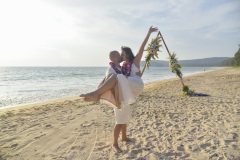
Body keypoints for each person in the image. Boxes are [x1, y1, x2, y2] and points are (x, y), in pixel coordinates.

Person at [80, 26, 158, 108]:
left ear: (127, 54)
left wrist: (149, 33)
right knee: (110, 77)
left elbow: (142, 48)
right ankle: (97, 94)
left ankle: (96, 94)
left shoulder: (135, 61)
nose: (121, 55)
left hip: (136, 84)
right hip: (129, 86)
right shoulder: (123, 67)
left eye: (122, 54)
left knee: (116, 76)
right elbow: (113, 79)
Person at [103, 50, 133, 153]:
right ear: (114, 58)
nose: (120, 56)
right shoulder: (111, 70)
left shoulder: (121, 68)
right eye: (118, 55)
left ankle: (124, 137)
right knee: (119, 121)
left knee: (124, 119)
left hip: (124, 96)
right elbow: (109, 85)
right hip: (118, 98)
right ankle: (115, 144)